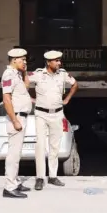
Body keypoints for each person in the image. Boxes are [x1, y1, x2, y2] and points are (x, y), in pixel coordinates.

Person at [27, 50, 78, 191]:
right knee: (40, 146)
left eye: (59, 60)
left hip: (57, 114)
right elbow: (24, 81)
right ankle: (40, 178)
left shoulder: (62, 74)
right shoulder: (38, 74)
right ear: (48, 62)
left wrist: (67, 99)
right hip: (41, 114)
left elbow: (75, 84)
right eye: (56, 61)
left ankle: (53, 176)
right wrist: (29, 98)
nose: (59, 63)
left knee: (55, 146)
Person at [1, 48, 33, 199]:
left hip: (22, 116)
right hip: (17, 118)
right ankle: (9, 187)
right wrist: (14, 120)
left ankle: (16, 181)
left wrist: (25, 72)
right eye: (22, 60)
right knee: (13, 154)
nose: (25, 62)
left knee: (17, 153)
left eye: (25, 60)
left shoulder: (17, 74)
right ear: (14, 60)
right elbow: (6, 99)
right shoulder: (8, 75)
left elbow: (27, 86)